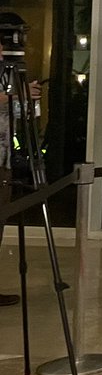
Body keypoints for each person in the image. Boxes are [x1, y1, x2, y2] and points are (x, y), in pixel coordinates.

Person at [0, 28, 39, 308]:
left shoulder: (6, 77)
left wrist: (28, 102)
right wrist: (15, 96)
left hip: (2, 161)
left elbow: (13, 113)